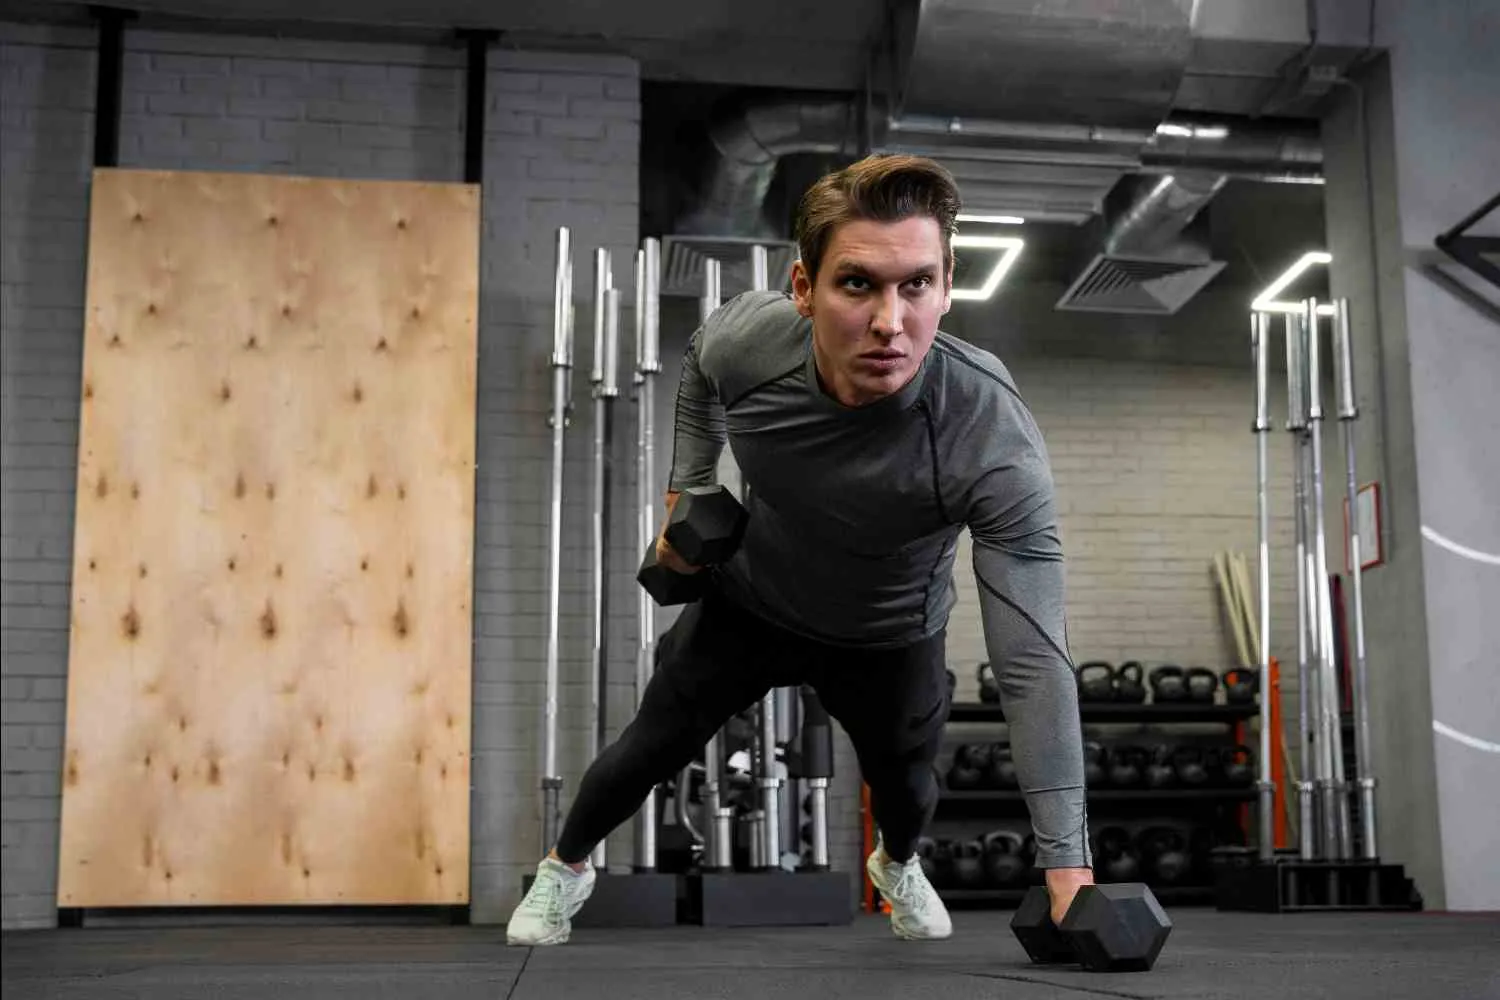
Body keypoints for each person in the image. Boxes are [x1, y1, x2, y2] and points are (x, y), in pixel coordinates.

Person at [506, 153, 1092, 947]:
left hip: (891, 633)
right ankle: (562, 871)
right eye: (858, 284)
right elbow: (699, 374)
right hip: (755, 602)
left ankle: (899, 864)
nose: (891, 321)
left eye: (916, 284)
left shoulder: (987, 434)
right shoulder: (750, 344)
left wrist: (1069, 872)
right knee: (649, 744)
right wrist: (688, 486)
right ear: (802, 288)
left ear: (947, 284)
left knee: (910, 787)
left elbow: (1032, 661)